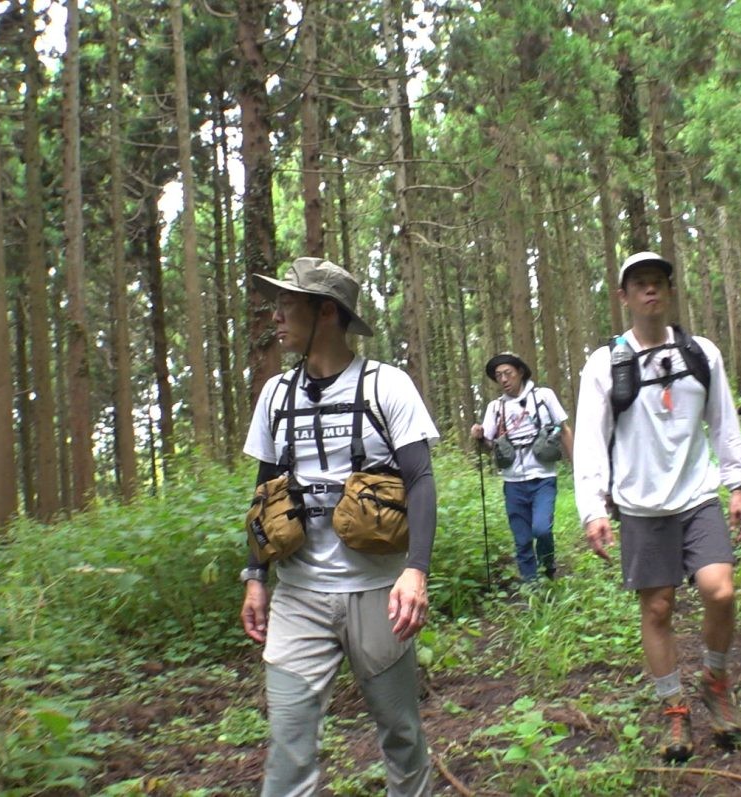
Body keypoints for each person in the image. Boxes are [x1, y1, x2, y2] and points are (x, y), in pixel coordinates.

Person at [239, 257, 438, 797]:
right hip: (298, 596)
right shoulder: (275, 396)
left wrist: (415, 572)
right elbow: (265, 492)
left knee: (400, 733)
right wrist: (255, 575)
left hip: (378, 592)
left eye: (288, 305)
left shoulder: (387, 386)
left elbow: (420, 480)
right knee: (288, 742)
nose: (276, 316)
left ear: (326, 311)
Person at [573, 251, 741, 764]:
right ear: (624, 296)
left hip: (697, 496)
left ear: (669, 292)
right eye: (639, 284)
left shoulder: (702, 353)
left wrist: (736, 485)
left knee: (720, 590)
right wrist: (594, 509)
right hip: (641, 505)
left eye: (658, 282)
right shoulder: (605, 364)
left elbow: (723, 422)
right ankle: (674, 709)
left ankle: (715, 681)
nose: (650, 291)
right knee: (657, 608)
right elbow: (590, 440)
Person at [470, 352, 575, 583]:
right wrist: (478, 437)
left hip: (543, 477)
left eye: (508, 373)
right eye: (498, 375)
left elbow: (564, 429)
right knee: (522, 539)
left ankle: (547, 565)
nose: (503, 379)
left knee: (542, 530)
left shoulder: (543, 396)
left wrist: (577, 466)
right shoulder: (495, 408)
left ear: (520, 372)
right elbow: (490, 447)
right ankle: (531, 588)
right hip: (513, 481)